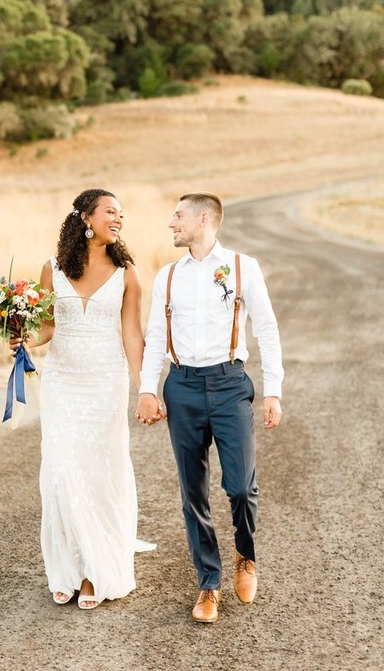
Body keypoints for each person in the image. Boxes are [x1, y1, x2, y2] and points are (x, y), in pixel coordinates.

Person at [136, 192, 283, 624]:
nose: (172, 223)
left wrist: (273, 391)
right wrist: (147, 389)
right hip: (181, 386)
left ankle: (245, 556)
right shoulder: (167, 275)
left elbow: (267, 329)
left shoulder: (242, 266)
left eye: (178, 216)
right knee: (192, 491)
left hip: (229, 383)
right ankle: (208, 582)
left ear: (204, 219)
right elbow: (155, 337)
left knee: (240, 487)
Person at [11, 188, 146, 610]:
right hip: (63, 382)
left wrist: (146, 388)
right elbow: (47, 326)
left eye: (121, 213)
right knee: (62, 470)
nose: (118, 219)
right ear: (86, 218)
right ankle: (67, 568)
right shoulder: (51, 269)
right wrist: (23, 338)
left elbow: (132, 334)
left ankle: (93, 571)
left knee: (102, 472)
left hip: (106, 382)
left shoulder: (127, 273)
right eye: (110, 212)